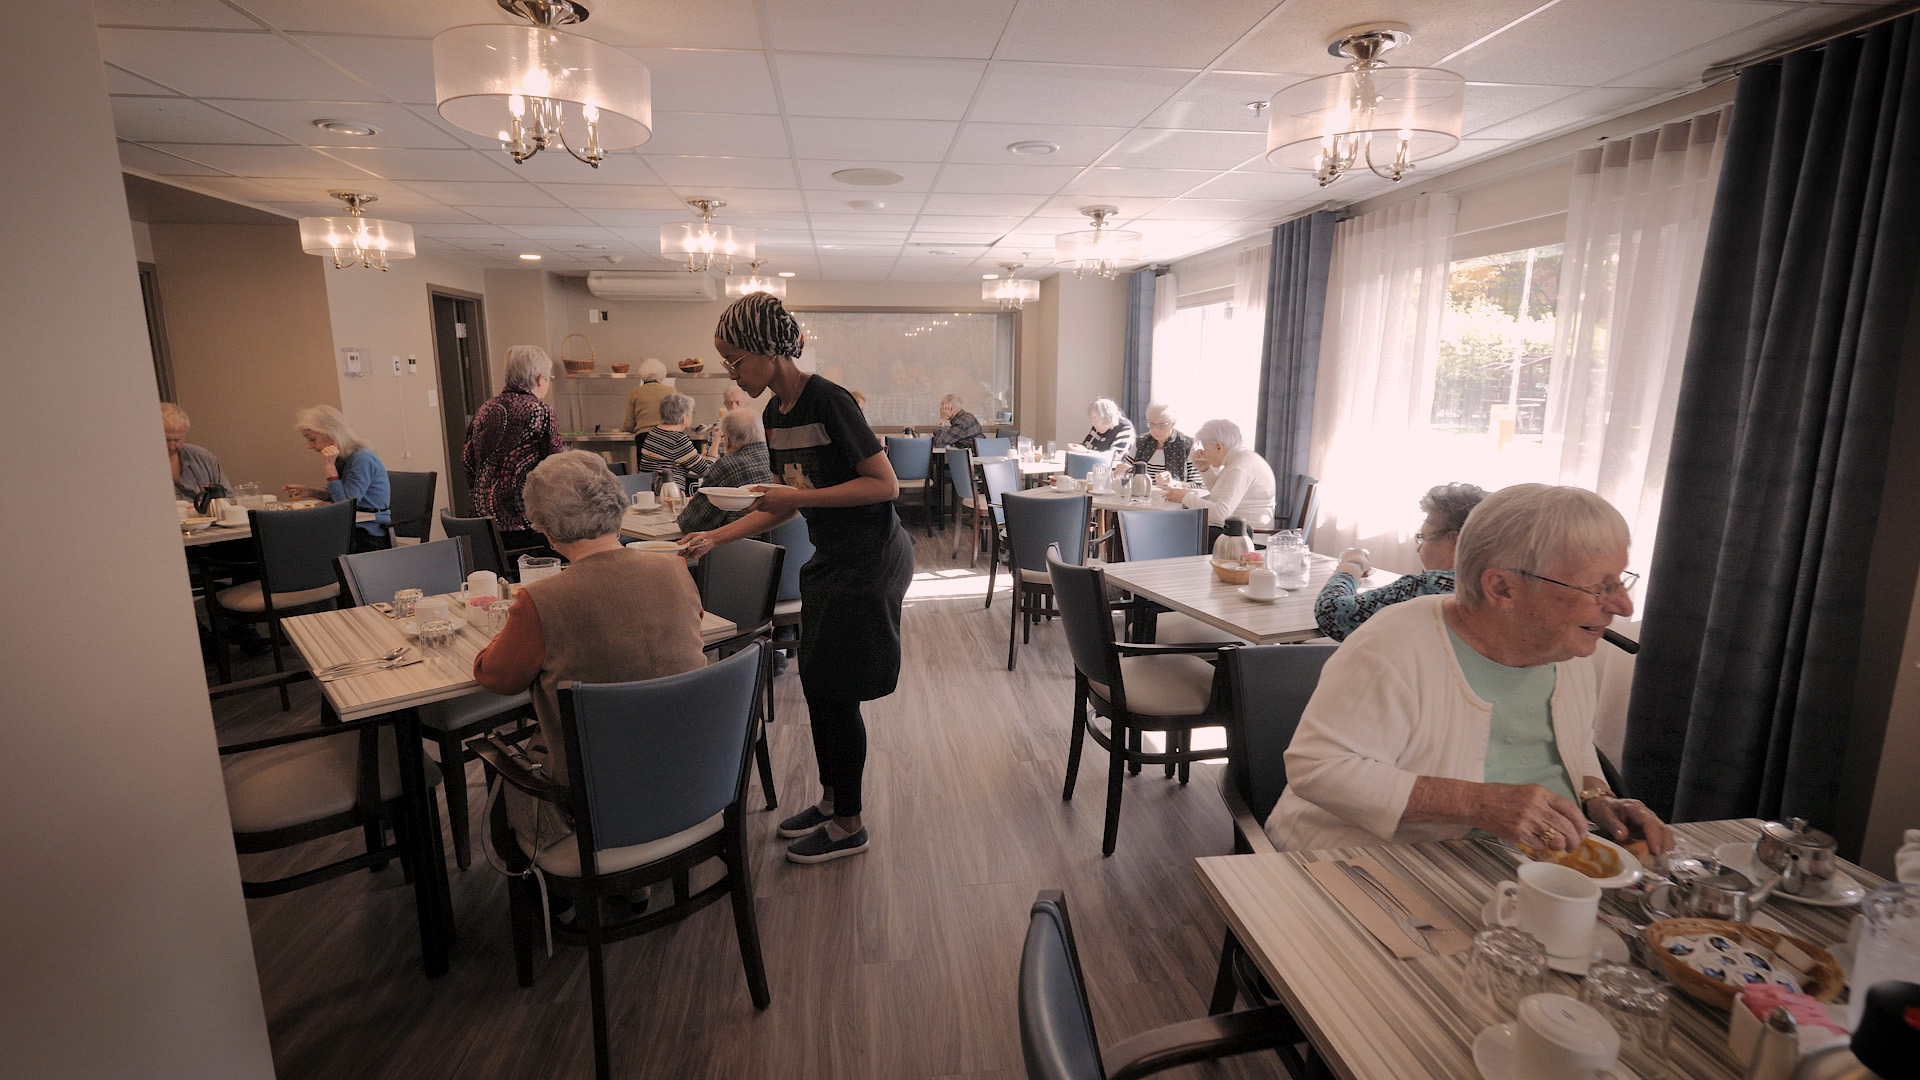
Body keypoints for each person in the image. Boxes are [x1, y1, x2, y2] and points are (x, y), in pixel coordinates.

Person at [1266, 484, 1675, 857]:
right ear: (1502, 589)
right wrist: (1478, 804)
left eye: (1621, 581)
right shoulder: (1395, 644)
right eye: (1598, 587)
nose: (1624, 606)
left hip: (1515, 867)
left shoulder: (1565, 649)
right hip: (1363, 867)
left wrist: (1597, 799)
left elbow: (1575, 741)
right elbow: (1318, 769)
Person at [682, 293, 913, 865]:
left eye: (735, 360)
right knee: (818, 686)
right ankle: (834, 801)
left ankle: (850, 824)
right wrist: (716, 537)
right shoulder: (776, 415)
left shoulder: (828, 401)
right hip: (833, 558)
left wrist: (802, 497)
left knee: (837, 691)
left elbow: (884, 485)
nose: (730, 372)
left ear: (768, 349)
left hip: (871, 559)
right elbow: (784, 505)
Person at [474, 450, 707, 849]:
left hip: (597, 795)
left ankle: (559, 900)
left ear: (544, 527)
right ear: (617, 509)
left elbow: (497, 678)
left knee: (503, 756)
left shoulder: (541, 599)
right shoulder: (674, 568)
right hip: (693, 769)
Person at [1314, 482, 1489, 641]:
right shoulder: (1498, 585)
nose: (1419, 548)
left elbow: (1332, 614)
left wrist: (1351, 565)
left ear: (1454, 541)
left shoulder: (1427, 588)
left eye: (1423, 538)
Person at [462, 345, 564, 552]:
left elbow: (467, 460)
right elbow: (558, 464)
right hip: (524, 522)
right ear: (539, 379)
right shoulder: (540, 411)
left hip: (483, 525)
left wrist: (482, 495)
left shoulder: (486, 408)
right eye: (549, 379)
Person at [283, 404, 390, 551]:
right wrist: (311, 492)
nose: (309, 446)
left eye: (312, 439)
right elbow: (340, 496)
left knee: (304, 547)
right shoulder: (346, 457)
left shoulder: (362, 459)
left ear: (333, 434)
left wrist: (330, 469)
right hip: (352, 528)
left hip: (369, 532)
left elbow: (345, 506)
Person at [1161, 418, 1275, 529]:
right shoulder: (1239, 459)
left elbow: (1221, 514)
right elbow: (1219, 491)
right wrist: (1205, 469)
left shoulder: (1239, 467)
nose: (1204, 453)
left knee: (1172, 528)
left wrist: (1185, 497)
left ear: (1218, 447)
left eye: (1205, 448)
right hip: (1235, 530)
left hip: (1245, 537)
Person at [676, 407, 775, 534]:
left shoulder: (727, 467)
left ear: (727, 439)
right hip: (787, 548)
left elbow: (691, 524)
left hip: (737, 547)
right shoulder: (778, 460)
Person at [636, 392, 714, 489]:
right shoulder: (678, 439)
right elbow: (708, 472)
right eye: (691, 413)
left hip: (650, 492)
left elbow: (671, 462)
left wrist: (695, 459)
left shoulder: (654, 432)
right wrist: (716, 443)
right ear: (684, 418)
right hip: (669, 496)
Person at [161, 401, 231, 502]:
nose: (172, 446)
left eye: (177, 440)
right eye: (167, 440)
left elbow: (228, 498)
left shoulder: (203, 458)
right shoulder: (142, 467)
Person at [1123, 402, 1197, 484]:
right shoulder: (1141, 442)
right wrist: (1123, 472)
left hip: (1171, 496)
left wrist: (1175, 483)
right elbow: (1125, 472)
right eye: (1151, 424)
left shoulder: (1187, 446)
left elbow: (1199, 486)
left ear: (1173, 423)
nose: (1155, 430)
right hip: (1140, 495)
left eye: (1161, 425)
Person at [621, 358, 675, 436]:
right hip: (667, 435)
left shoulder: (634, 393)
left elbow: (628, 425)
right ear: (662, 376)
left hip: (643, 436)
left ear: (642, 376)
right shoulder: (671, 391)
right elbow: (677, 419)